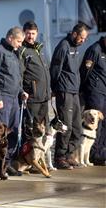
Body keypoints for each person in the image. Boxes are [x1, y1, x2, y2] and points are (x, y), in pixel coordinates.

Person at [0, 27, 28, 176]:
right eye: (18, 41)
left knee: (13, 130)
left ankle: (6, 163)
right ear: (10, 38)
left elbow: (16, 77)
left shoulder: (14, 53)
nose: (20, 45)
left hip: (14, 98)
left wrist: (21, 91)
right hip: (2, 98)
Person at [50, 23, 88, 169]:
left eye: (85, 38)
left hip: (74, 91)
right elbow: (55, 69)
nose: (83, 41)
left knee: (77, 126)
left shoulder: (75, 48)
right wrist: (54, 88)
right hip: (64, 90)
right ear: (74, 34)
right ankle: (60, 157)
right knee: (66, 125)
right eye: (82, 38)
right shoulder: (63, 46)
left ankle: (69, 155)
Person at [19, 21, 51, 139]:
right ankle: (29, 156)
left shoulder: (39, 49)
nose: (30, 36)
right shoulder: (22, 50)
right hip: (32, 97)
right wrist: (23, 91)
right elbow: (19, 74)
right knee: (31, 128)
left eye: (33, 33)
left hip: (44, 96)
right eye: (28, 33)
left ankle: (40, 156)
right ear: (24, 34)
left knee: (43, 128)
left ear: (37, 33)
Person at [79, 36, 106, 166]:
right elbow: (85, 71)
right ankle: (94, 154)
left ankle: (101, 152)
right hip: (95, 91)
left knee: (104, 122)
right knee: (96, 124)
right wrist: (83, 89)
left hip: (104, 91)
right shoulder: (95, 50)